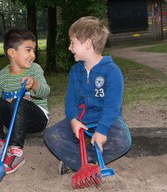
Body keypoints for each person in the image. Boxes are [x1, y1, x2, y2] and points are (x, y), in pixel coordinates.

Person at [44, 16, 132, 175]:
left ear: (88, 44)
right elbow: (70, 100)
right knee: (51, 135)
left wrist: (102, 130)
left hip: (105, 120)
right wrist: (73, 120)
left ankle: (86, 161)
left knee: (124, 140)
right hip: (82, 120)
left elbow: (113, 107)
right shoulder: (75, 70)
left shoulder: (112, 72)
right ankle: (84, 163)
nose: (69, 48)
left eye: (73, 43)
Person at [0, 27, 50, 174]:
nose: (33, 55)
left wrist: (34, 84)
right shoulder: (0, 77)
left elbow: (46, 91)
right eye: (28, 50)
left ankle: (15, 152)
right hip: (14, 121)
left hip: (37, 119)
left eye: (34, 50)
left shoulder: (35, 70)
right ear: (12, 52)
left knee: (18, 101)